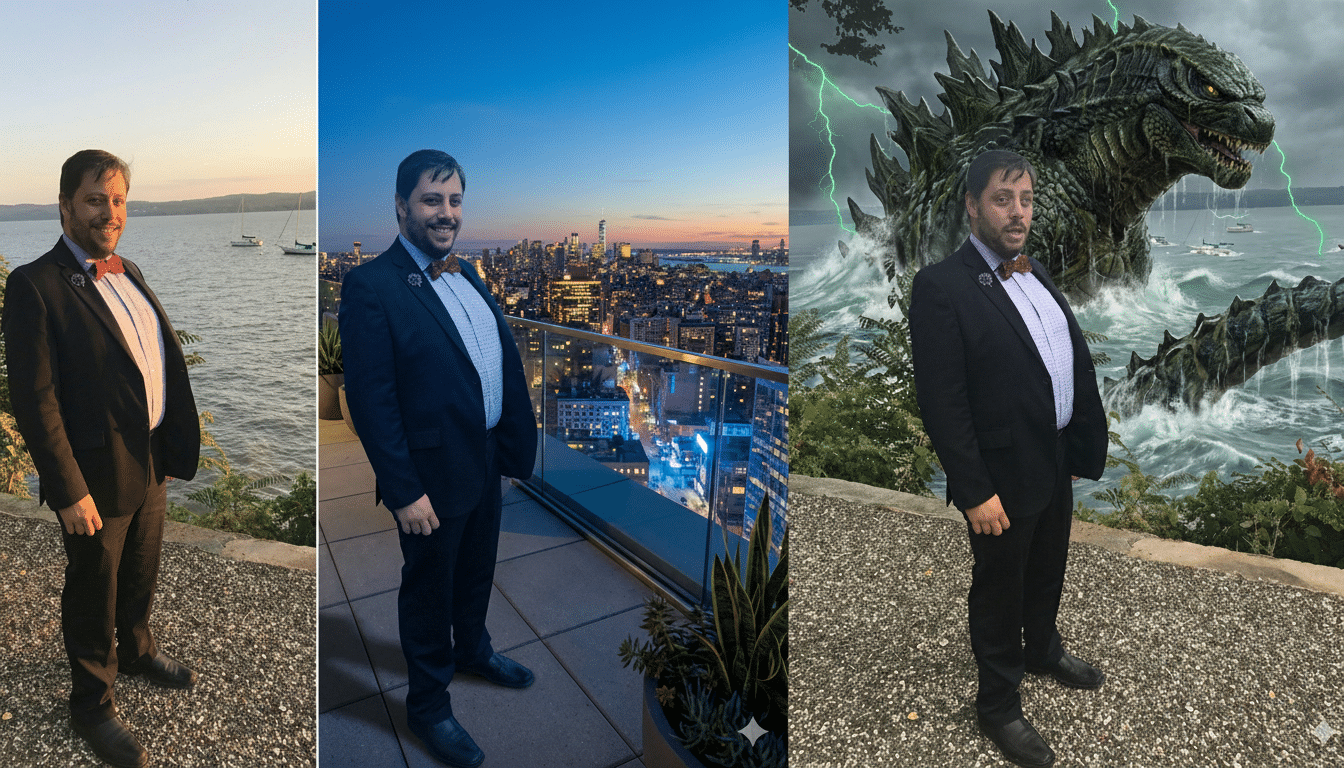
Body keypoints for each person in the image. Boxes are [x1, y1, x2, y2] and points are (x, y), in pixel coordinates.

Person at [908, 149, 1109, 768]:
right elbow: (944, 404)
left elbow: (1060, 362)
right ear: (972, 207)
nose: (1018, 212)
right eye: (1003, 199)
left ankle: (1043, 649)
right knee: (999, 587)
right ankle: (997, 705)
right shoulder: (940, 287)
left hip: (1051, 458)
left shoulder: (1037, 269)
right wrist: (972, 490)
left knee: (1048, 566)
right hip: (998, 475)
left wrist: (1071, 446)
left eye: (1026, 200)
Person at [339, 149, 539, 768]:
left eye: (454, 200)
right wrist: (402, 490)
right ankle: (428, 708)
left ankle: (473, 650)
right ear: (401, 208)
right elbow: (373, 401)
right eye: (432, 200)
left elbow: (489, 362)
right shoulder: (371, 286)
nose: (445, 212)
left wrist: (503, 446)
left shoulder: (470, 273)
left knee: (478, 567)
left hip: (480, 457)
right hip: (427, 474)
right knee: (428, 591)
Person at [3, 149, 202, 768]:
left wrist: (165, 445)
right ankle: (92, 702)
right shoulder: (35, 285)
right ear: (64, 206)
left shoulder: (130, 268)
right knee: (93, 586)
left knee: (141, 568)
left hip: (146, 458)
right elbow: (36, 401)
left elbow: (150, 364)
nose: (109, 212)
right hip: (91, 473)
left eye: (118, 200)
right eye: (95, 199)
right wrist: (67, 490)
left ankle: (137, 652)